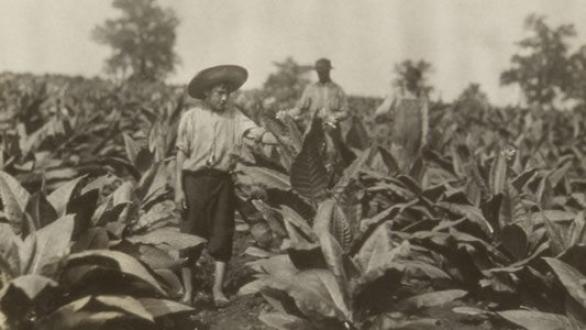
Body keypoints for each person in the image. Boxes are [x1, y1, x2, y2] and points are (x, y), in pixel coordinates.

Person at [175, 65, 277, 307]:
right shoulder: (191, 117)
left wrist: (282, 135)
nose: (224, 98)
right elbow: (180, 155)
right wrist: (179, 189)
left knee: (222, 235)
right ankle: (188, 292)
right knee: (189, 236)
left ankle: (217, 290)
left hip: (222, 182)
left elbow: (255, 132)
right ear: (207, 94)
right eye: (219, 93)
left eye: (227, 93)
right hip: (194, 182)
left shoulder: (235, 116)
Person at [374, 67, 429, 170]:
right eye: (407, 79)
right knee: (395, 163)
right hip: (399, 134)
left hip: (414, 137)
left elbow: (425, 118)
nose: (408, 82)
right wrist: (377, 113)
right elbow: (385, 108)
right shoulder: (398, 92)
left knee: (411, 165)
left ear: (416, 81)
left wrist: (424, 137)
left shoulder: (421, 95)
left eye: (411, 80)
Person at [277, 58, 349, 128]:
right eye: (319, 71)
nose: (321, 74)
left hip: (332, 128)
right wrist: (287, 114)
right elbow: (299, 109)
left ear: (328, 71)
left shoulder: (337, 90)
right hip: (313, 129)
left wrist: (332, 116)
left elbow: (345, 112)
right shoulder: (310, 89)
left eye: (323, 71)